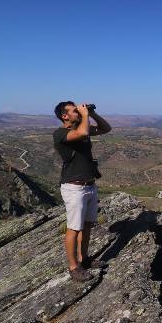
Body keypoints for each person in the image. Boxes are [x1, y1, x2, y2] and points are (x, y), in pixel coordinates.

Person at [53, 101, 112, 281]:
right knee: (74, 228)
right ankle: (73, 267)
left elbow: (106, 129)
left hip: (89, 185)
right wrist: (85, 116)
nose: (78, 112)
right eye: (74, 110)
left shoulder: (82, 127)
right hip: (74, 188)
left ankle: (84, 259)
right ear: (64, 116)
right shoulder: (61, 133)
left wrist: (92, 114)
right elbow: (83, 132)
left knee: (87, 225)